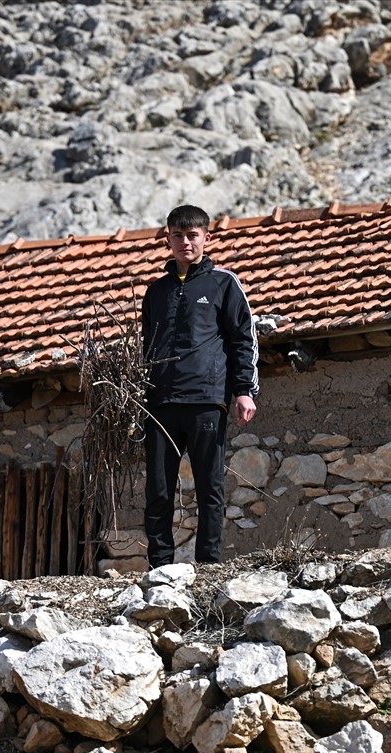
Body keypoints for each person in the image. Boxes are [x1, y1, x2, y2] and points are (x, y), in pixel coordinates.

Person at [140, 204, 259, 569]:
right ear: (168, 239)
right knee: (158, 489)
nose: (185, 242)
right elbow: (147, 347)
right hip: (160, 403)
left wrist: (243, 390)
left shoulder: (224, 283)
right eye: (178, 235)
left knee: (210, 486)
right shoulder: (155, 292)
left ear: (206, 237)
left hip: (207, 399)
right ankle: (159, 566)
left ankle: (209, 565)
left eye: (193, 235)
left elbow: (243, 338)